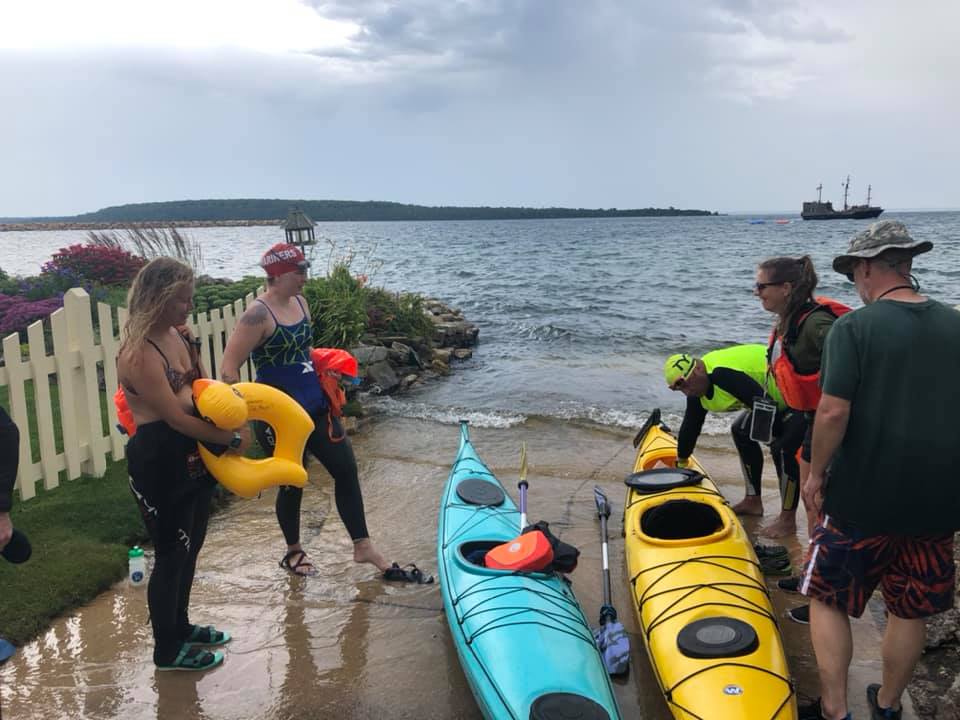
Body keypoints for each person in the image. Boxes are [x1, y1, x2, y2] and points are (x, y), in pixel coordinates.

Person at [798, 220, 960, 720]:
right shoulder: (955, 325)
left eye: (853, 274)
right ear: (906, 263)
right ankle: (888, 705)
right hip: (938, 500)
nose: (855, 284)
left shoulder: (854, 328)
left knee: (826, 597)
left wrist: (815, 475)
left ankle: (835, 709)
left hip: (860, 498)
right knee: (909, 608)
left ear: (867, 267)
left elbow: (832, 411)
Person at [221, 243, 429, 582]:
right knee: (292, 481)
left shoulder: (301, 303)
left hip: (315, 403)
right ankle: (294, 551)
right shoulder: (256, 315)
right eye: (300, 270)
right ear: (279, 274)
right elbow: (228, 369)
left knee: (346, 469)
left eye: (306, 268)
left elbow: (303, 352)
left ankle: (363, 545)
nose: (306, 276)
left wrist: (327, 371)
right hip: (278, 416)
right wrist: (239, 419)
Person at [118, 257, 250, 672]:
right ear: (158, 299)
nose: (189, 307)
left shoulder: (178, 336)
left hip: (192, 451)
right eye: (181, 300)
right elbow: (175, 416)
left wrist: (194, 352)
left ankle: (181, 626)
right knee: (171, 553)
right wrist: (229, 440)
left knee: (192, 547)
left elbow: (203, 390)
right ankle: (166, 650)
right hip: (159, 457)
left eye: (190, 298)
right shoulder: (138, 353)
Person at [755, 255, 848, 539]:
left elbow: (857, 371)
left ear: (785, 288)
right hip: (813, 420)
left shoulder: (817, 325)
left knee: (820, 498)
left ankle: (826, 560)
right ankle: (814, 558)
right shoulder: (788, 323)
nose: (757, 293)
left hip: (836, 424)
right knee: (811, 499)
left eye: (761, 286)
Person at [664, 344, 805, 520]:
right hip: (770, 399)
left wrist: (778, 439)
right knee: (740, 431)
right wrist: (682, 462)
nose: (686, 392)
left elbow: (768, 410)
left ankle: (787, 519)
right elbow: (691, 426)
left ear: (698, 368)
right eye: (679, 389)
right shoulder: (696, 389)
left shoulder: (722, 375)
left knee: (782, 448)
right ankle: (753, 501)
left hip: (797, 392)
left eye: (686, 384)